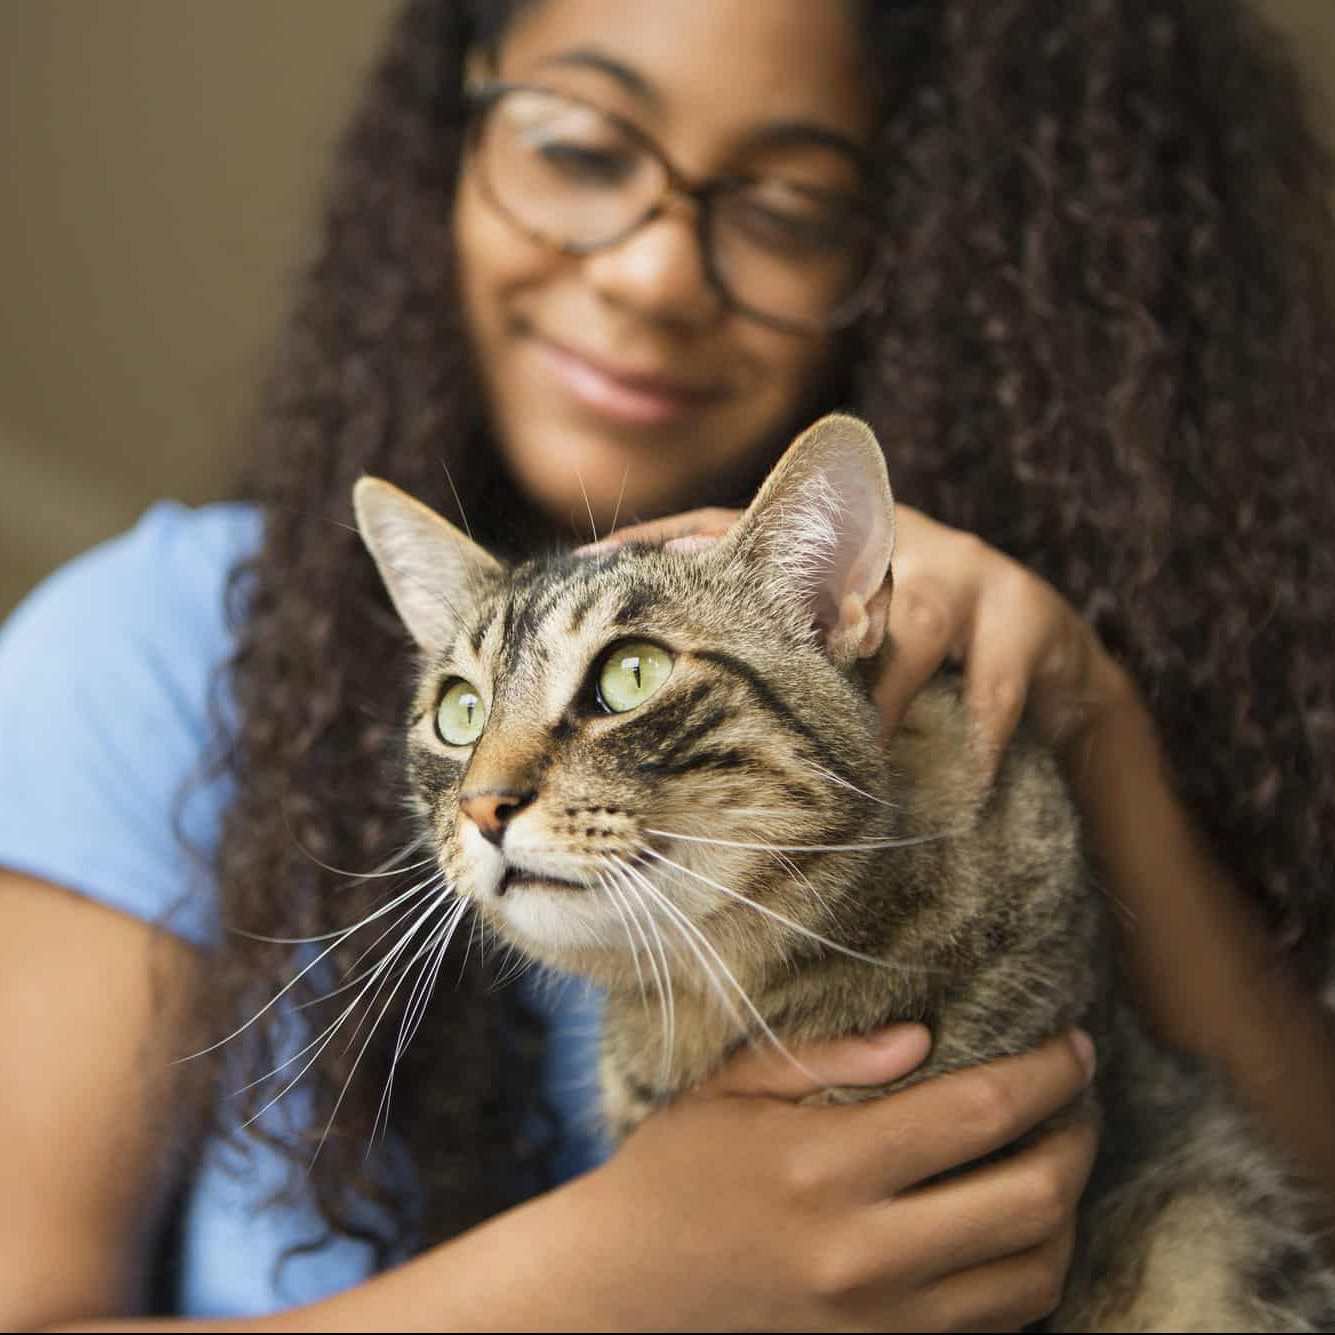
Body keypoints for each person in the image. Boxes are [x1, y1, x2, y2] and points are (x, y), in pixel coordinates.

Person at [2, 0, 1334, 1328]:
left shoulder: (957, 707)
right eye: (582, 150)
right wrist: (614, 1276)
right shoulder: (157, 643)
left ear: (911, 253)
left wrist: (1091, 717)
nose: (650, 273)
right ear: (453, 140)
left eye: (788, 208)